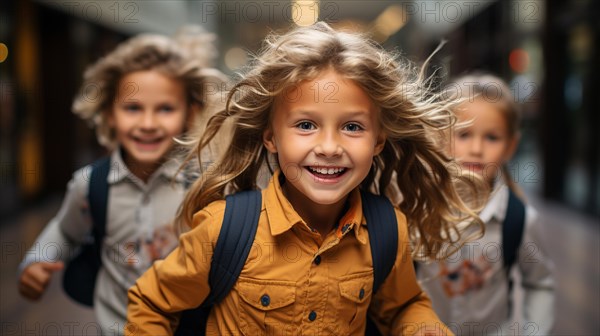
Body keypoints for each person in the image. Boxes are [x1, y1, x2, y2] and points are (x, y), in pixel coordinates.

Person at [126, 22, 485, 336]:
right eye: (306, 125)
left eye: (352, 127)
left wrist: (421, 326)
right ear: (271, 137)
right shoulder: (224, 230)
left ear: (378, 140)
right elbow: (151, 303)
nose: (329, 147)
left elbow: (403, 305)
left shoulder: (387, 230)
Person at [17, 26, 226, 334]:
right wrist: (36, 261)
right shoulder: (91, 185)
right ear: (110, 113)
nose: (148, 123)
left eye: (165, 109)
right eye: (132, 108)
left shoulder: (204, 183)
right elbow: (64, 230)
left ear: (190, 114)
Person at [417, 73, 555, 335]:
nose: (477, 148)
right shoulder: (417, 207)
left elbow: (540, 283)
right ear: (440, 134)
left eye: (492, 137)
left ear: (510, 146)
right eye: (464, 134)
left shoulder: (519, 219)